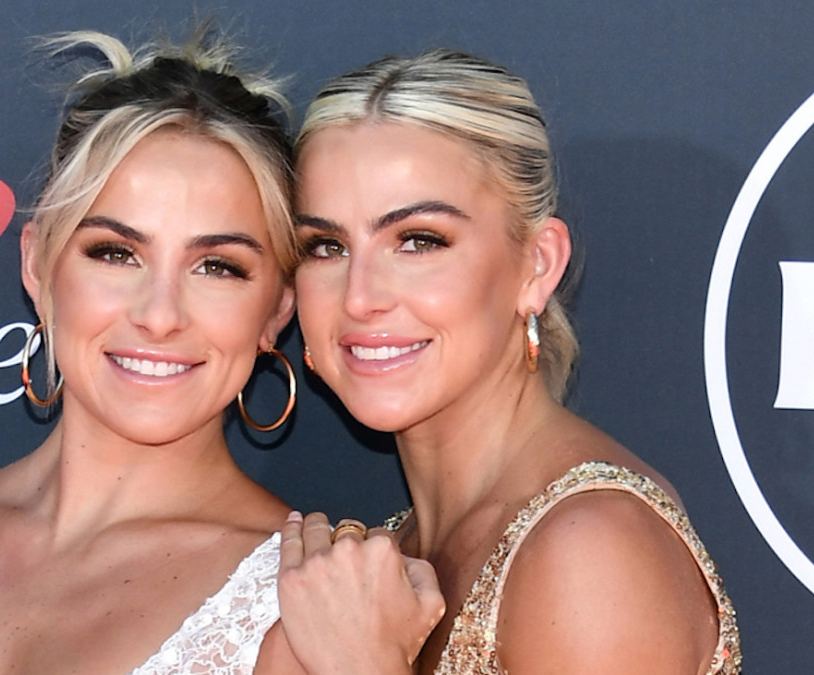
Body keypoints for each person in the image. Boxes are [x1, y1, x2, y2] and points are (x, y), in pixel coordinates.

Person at [0, 29, 309, 675]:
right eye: (115, 252)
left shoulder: (304, 607)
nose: (159, 315)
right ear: (39, 265)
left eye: (217, 266)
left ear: (277, 308)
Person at [278, 49, 741, 674]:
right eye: (326, 246)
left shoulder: (591, 549)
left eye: (419, 241)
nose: (360, 298)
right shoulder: (391, 553)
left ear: (537, 264)